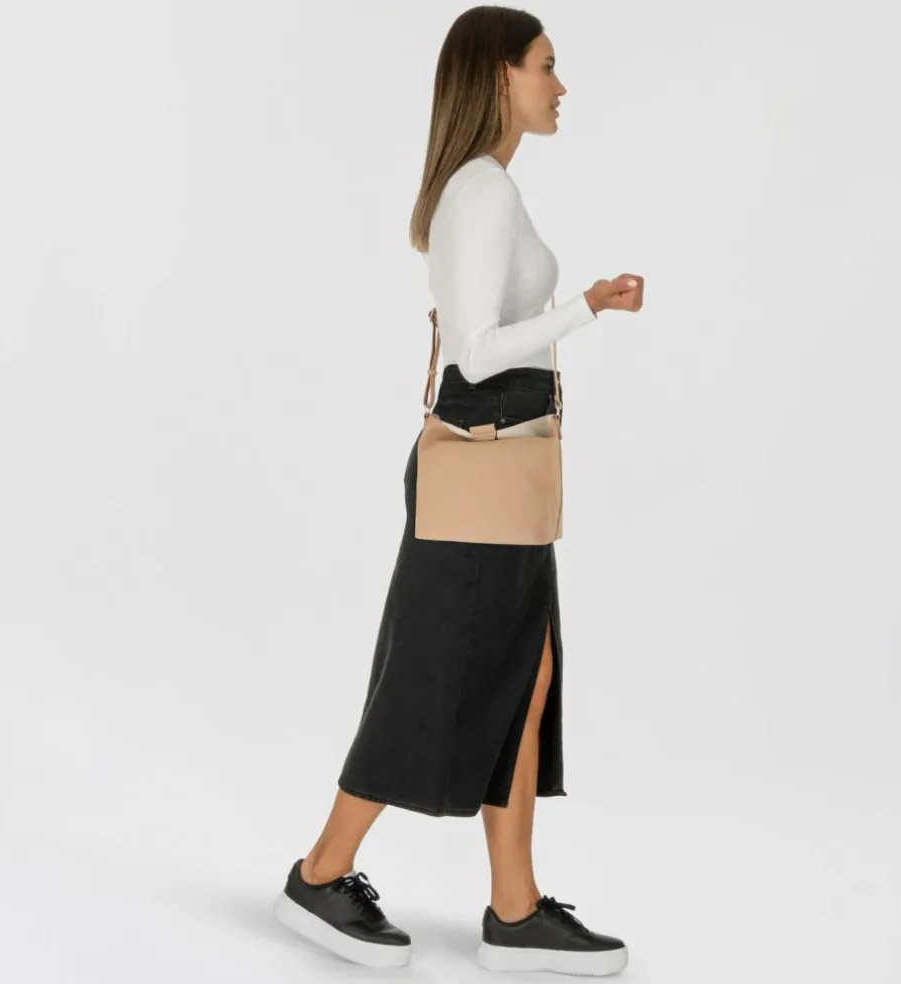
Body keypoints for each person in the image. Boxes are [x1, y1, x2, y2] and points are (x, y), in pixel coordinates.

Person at [273, 6, 644, 977]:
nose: (560, 87)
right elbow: (475, 352)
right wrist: (585, 307)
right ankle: (321, 873)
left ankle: (514, 907)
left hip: (506, 464)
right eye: (546, 67)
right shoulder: (479, 191)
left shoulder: (488, 187)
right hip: (484, 455)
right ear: (500, 76)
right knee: (432, 675)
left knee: (526, 675)